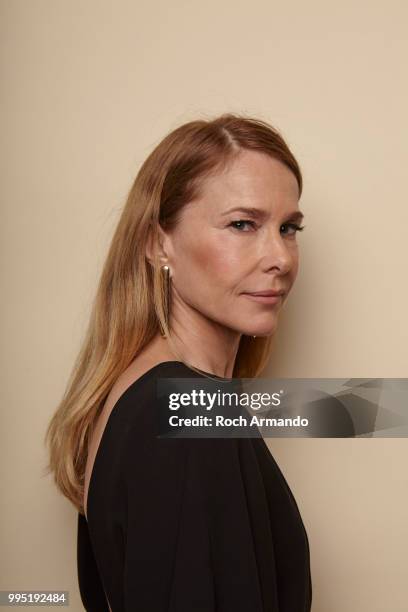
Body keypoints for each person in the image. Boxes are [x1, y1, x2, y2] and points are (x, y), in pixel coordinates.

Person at [44, 113, 312, 611]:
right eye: (242, 224)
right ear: (156, 242)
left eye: (289, 227)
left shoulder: (151, 395)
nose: (281, 257)